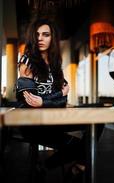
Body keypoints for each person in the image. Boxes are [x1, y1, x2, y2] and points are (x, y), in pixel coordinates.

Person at [15, 17, 88, 172]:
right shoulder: (27, 62)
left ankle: (75, 166)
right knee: (80, 147)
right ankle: (52, 167)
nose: (40, 38)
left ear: (52, 38)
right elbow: (31, 103)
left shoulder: (55, 65)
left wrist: (46, 100)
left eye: (46, 34)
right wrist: (57, 95)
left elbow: (62, 100)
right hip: (33, 125)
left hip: (53, 120)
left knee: (97, 124)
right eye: (37, 34)